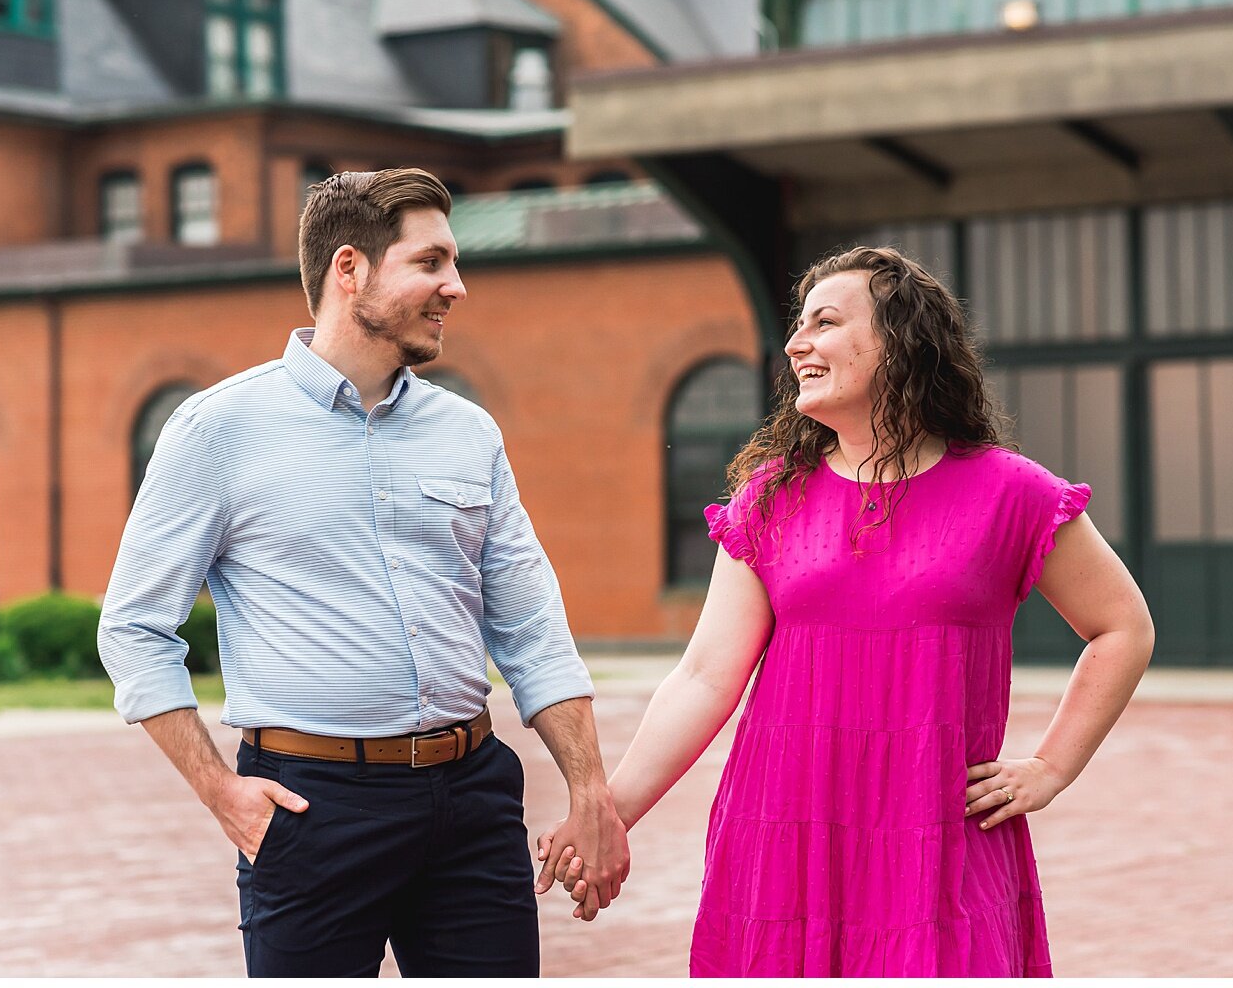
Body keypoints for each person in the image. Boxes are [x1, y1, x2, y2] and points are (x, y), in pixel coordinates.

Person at [535, 245, 1154, 976]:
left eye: (824, 322)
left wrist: (1052, 767)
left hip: (938, 844)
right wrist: (611, 811)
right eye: (798, 326)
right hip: (782, 844)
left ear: (901, 342)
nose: (796, 344)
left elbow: (1122, 627)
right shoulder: (770, 497)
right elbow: (703, 678)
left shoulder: (1009, 491)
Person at [98, 168, 628, 978]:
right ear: (350, 270)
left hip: (474, 800)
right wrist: (222, 794)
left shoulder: (469, 434)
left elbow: (530, 629)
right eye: (431, 263)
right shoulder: (217, 430)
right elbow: (133, 628)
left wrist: (590, 793)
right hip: (312, 810)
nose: (456, 286)